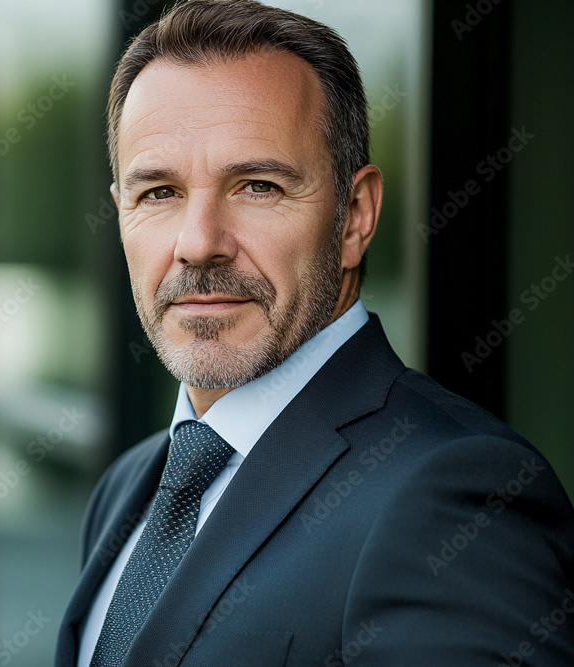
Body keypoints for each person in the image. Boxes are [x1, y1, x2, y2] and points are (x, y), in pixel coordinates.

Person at [54, 1, 574, 665]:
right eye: (158, 192)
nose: (198, 244)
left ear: (355, 216)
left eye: (257, 186)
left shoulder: (452, 495)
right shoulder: (129, 485)